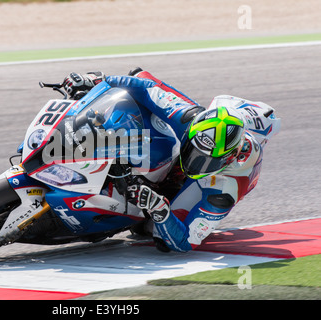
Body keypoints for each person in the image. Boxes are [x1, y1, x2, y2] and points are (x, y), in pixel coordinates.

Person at [62, 68, 281, 252]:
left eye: (205, 160)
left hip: (212, 180)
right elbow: (145, 85)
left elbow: (185, 242)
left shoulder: (225, 190)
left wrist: (160, 210)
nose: (194, 162)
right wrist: (98, 82)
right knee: (138, 78)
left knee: (158, 235)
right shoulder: (188, 117)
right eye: (193, 152)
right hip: (228, 119)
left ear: (227, 158)